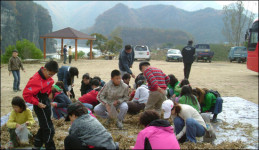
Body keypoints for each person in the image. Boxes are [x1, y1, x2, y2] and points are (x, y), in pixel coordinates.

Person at [23, 60, 59, 149]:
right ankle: (49, 147)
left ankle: (37, 145)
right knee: (49, 129)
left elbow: (49, 83)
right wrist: (37, 103)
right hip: (40, 104)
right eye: (50, 74)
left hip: (45, 101)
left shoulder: (47, 77)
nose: (51, 76)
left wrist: (50, 92)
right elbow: (26, 95)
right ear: (45, 69)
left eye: (53, 75)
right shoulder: (35, 80)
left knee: (44, 126)